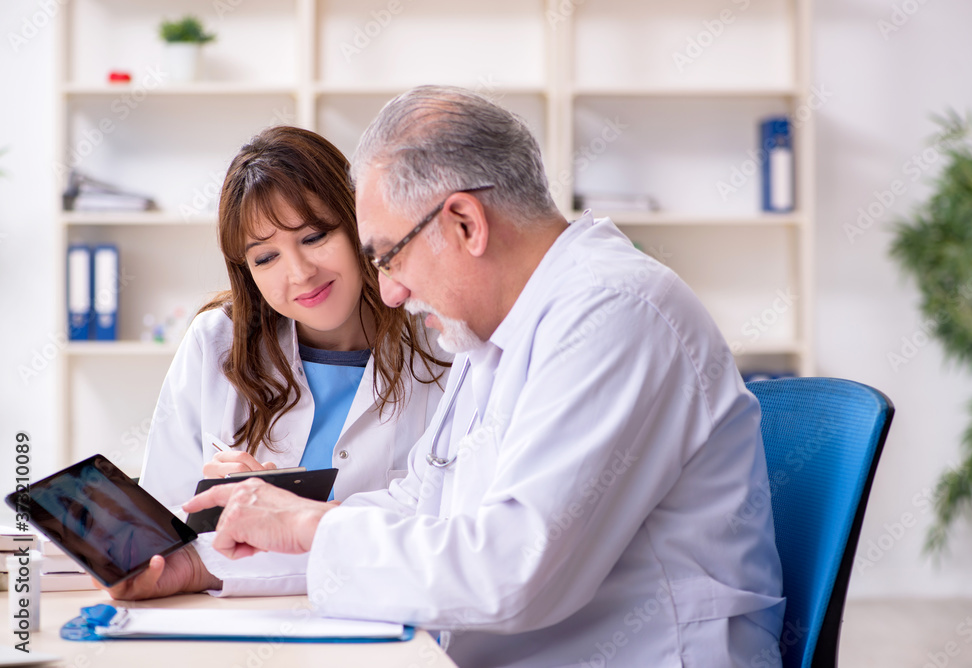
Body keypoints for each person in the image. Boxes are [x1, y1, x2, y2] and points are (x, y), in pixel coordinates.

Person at [114, 87, 785, 668]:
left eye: (388, 255)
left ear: (465, 223)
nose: (390, 291)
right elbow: (421, 505)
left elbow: (511, 572)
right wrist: (224, 552)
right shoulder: (492, 336)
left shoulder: (614, 313)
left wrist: (310, 527)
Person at [140, 125, 450, 510]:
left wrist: (315, 521)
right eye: (266, 257)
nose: (300, 273)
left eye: (314, 237)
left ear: (358, 222)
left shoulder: (443, 338)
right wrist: (213, 509)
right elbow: (162, 516)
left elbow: (465, 516)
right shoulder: (216, 342)